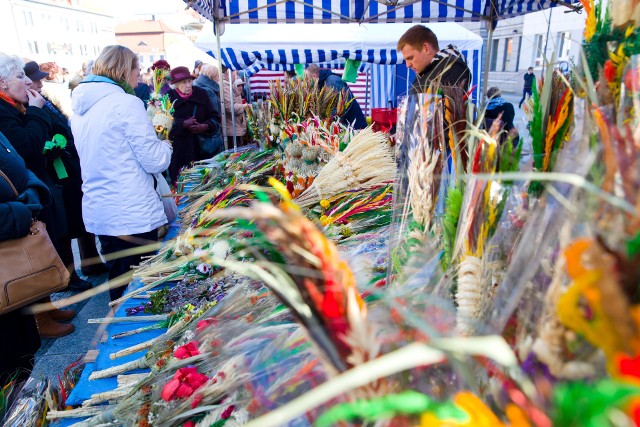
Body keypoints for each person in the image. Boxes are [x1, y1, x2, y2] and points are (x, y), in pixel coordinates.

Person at [70, 45, 173, 301]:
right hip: (130, 210)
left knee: (119, 275)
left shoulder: (82, 107)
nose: (139, 76)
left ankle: (115, 328)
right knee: (138, 281)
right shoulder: (125, 103)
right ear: (125, 70)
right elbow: (154, 160)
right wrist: (165, 143)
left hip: (102, 209)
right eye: (137, 70)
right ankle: (123, 333)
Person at [0, 53, 82, 338]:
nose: (27, 82)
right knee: (29, 257)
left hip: (34, 188)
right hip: (18, 199)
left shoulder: (18, 106)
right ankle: (39, 318)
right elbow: (27, 146)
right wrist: (36, 112)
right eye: (19, 78)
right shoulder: (5, 110)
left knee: (42, 245)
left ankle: (47, 307)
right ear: (2, 83)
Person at [25, 60, 108, 278]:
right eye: (35, 80)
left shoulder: (41, 100)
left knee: (78, 217)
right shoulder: (28, 106)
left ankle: (90, 261)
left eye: (40, 79)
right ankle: (69, 275)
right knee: (64, 225)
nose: (40, 84)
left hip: (68, 166)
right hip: (56, 170)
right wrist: (53, 145)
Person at [0, 130, 50, 383]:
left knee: (22, 355)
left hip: (13, 277)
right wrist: (19, 212)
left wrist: (33, 189)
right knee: (8, 367)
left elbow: (18, 165)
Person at [167, 66, 221, 181]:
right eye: (184, 82)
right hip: (179, 155)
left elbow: (215, 118)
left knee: (204, 186)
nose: (188, 85)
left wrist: (205, 126)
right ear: (175, 85)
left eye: (189, 81)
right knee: (182, 188)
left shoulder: (201, 94)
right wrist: (182, 124)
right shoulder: (168, 98)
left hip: (202, 152)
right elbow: (163, 128)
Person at [397, 24, 471, 93]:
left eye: (410, 58)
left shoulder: (453, 67)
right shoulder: (427, 71)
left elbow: (448, 104)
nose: (407, 65)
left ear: (426, 48)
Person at [304, 64, 367, 130]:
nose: (307, 82)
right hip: (346, 125)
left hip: (355, 126)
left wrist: (327, 122)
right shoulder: (323, 82)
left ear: (314, 76)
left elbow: (338, 107)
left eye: (308, 79)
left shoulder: (332, 81)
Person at [194, 64, 225, 157]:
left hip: (203, 134)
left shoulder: (198, 87)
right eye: (217, 76)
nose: (219, 78)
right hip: (210, 135)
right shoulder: (208, 91)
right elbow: (214, 115)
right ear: (212, 76)